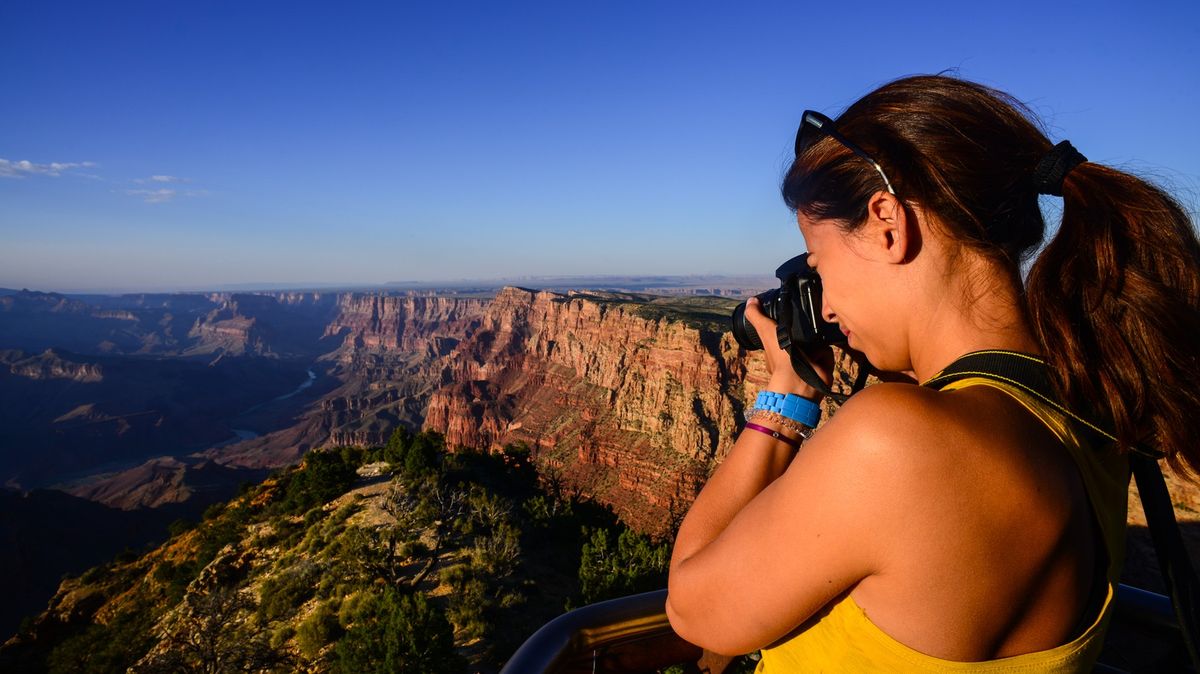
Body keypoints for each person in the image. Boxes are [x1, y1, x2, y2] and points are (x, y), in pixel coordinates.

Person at [665, 75, 1200, 672]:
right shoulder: (1085, 404)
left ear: (888, 223)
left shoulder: (895, 442)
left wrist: (784, 393)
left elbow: (693, 609)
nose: (828, 303)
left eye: (821, 263)